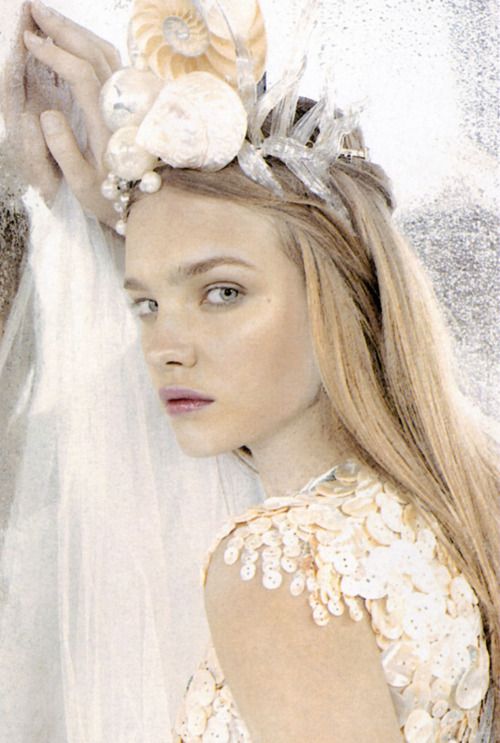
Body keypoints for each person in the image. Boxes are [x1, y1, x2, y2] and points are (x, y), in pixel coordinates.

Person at [1, 1, 498, 741]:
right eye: (146, 304)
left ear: (334, 293)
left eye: (222, 293)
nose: (167, 346)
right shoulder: (440, 500)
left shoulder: (281, 563)